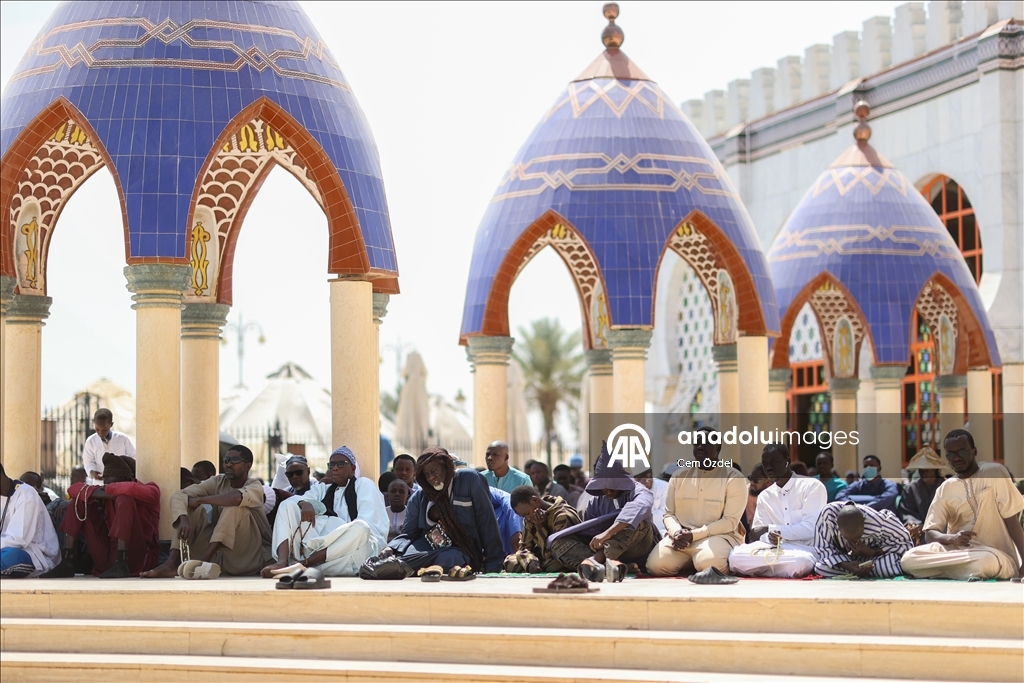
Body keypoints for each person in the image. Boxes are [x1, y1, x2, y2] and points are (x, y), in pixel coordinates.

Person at [901, 429, 1024, 580]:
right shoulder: (946, 487)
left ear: (974, 451)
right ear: (947, 457)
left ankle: (946, 571)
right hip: (958, 552)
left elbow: (1012, 521)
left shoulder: (994, 472)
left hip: (993, 554)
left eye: (962, 452)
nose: (957, 458)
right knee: (908, 558)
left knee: (984, 562)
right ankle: (958, 571)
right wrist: (951, 539)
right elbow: (930, 533)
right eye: (951, 454)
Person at [142, 445, 272, 578]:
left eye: (234, 461)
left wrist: (200, 500)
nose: (228, 465)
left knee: (234, 507)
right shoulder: (218, 481)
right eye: (226, 460)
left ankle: (203, 562)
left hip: (247, 555)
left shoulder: (254, 485)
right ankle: (172, 563)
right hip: (219, 556)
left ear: (247, 466)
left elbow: (235, 498)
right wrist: (184, 518)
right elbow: (179, 495)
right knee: (187, 505)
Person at [262, 446, 388, 578]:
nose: (335, 468)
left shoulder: (364, 484)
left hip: (354, 549)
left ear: (352, 468)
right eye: (332, 464)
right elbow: (294, 501)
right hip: (324, 551)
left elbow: (370, 529)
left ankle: (305, 564)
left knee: (361, 527)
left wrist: (337, 533)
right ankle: (283, 562)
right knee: (287, 505)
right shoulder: (323, 489)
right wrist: (303, 502)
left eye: (340, 464)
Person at [548, 441, 657, 581]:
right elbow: (591, 533)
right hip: (605, 551)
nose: (609, 491)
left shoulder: (639, 490)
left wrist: (608, 533)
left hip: (637, 548)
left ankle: (595, 561)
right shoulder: (595, 501)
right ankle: (614, 566)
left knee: (635, 522)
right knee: (559, 543)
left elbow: (639, 507)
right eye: (605, 488)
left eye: (613, 486)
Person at [647, 428, 747, 578]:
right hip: (682, 537)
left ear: (718, 447)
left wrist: (693, 535)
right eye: (697, 443)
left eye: (706, 443)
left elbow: (729, 522)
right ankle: (691, 566)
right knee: (656, 566)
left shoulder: (734, 478)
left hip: (719, 536)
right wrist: (676, 533)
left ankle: (696, 565)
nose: (700, 447)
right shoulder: (679, 476)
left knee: (709, 564)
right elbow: (669, 514)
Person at [385, 447, 504, 573]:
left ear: (446, 466)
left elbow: (487, 522)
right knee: (408, 555)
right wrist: (390, 548)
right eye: (426, 474)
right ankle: (410, 564)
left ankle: (410, 565)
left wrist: (493, 564)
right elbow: (408, 534)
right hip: (426, 545)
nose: (431, 477)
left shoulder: (469, 479)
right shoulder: (419, 497)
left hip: (460, 548)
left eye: (433, 471)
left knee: (448, 558)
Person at [43, 453, 160, 578]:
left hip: (140, 558)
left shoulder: (150, 490)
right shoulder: (104, 493)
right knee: (81, 499)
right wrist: (100, 494)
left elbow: (129, 488)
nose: (107, 483)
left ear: (129, 478)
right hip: (108, 558)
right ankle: (67, 562)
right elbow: (73, 489)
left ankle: (121, 561)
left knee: (124, 498)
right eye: (105, 478)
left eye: (111, 478)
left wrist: (109, 491)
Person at [729, 443, 827, 578]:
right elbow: (759, 532)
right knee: (735, 557)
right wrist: (769, 536)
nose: (768, 468)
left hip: (802, 550)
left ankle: (762, 569)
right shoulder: (765, 496)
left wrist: (771, 529)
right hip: (773, 550)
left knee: (800, 562)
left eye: (773, 462)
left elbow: (810, 530)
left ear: (787, 461)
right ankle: (778, 569)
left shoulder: (812, 486)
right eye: (765, 463)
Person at [813, 501, 913, 578]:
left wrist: (871, 552)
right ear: (837, 526)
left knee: (890, 564)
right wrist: (848, 566)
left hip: (874, 559)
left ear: (864, 522)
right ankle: (860, 572)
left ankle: (863, 572)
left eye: (858, 537)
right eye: (848, 539)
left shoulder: (877, 521)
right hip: (845, 561)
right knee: (821, 567)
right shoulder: (828, 516)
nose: (854, 543)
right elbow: (824, 549)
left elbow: (904, 543)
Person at [504, 485, 585, 572]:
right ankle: (534, 567)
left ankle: (534, 568)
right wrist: (530, 561)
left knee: (553, 566)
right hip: (543, 558)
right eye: (524, 516)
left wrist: (540, 527)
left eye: (527, 513)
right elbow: (524, 547)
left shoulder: (563, 515)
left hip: (561, 557)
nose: (527, 518)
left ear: (534, 500)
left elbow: (556, 551)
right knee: (509, 561)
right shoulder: (531, 518)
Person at [1, 463, 60, 577]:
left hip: (33, 554)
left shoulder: (26, 494)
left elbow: (18, 540)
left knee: (9, 557)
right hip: (4, 550)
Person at [897, 446, 948, 544]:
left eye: (927, 470)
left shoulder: (946, 485)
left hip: (944, 531)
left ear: (935, 470)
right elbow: (907, 511)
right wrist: (913, 523)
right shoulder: (911, 488)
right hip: (920, 533)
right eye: (921, 470)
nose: (923, 473)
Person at [81, 408, 135, 485]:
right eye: (97, 429)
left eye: (104, 430)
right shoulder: (91, 441)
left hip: (121, 483)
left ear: (111, 425)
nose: (100, 432)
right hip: (99, 484)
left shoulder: (122, 439)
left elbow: (133, 458)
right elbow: (88, 461)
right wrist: (92, 472)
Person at [633, 466, 669, 535]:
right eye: (643, 478)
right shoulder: (632, 490)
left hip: (662, 529)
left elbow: (665, 512)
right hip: (640, 532)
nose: (648, 480)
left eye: (649, 476)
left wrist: (642, 518)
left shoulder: (664, 486)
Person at [743, 464, 771, 541]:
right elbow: (752, 524)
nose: (752, 483)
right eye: (751, 478)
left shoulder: (774, 494)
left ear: (768, 481)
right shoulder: (748, 492)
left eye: (756, 480)